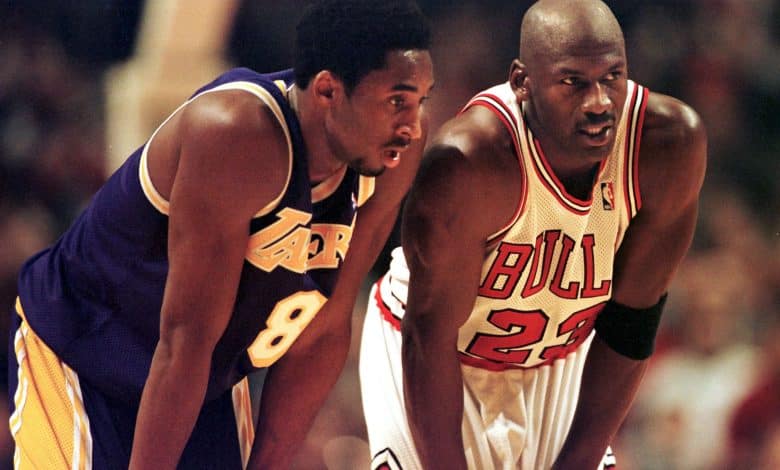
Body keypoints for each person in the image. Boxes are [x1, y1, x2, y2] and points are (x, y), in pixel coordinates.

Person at [8, 1, 434, 468]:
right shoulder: (237, 134)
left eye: (420, 101)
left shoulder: (390, 155)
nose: (412, 127)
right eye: (397, 101)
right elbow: (183, 342)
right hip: (84, 347)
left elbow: (323, 332)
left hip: (201, 378)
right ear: (329, 90)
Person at [358, 0, 706, 469]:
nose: (600, 101)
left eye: (612, 77)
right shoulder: (469, 162)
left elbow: (631, 325)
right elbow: (430, 336)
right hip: (440, 354)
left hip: (557, 359)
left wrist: (578, 461)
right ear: (522, 82)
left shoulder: (668, 145)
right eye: (573, 82)